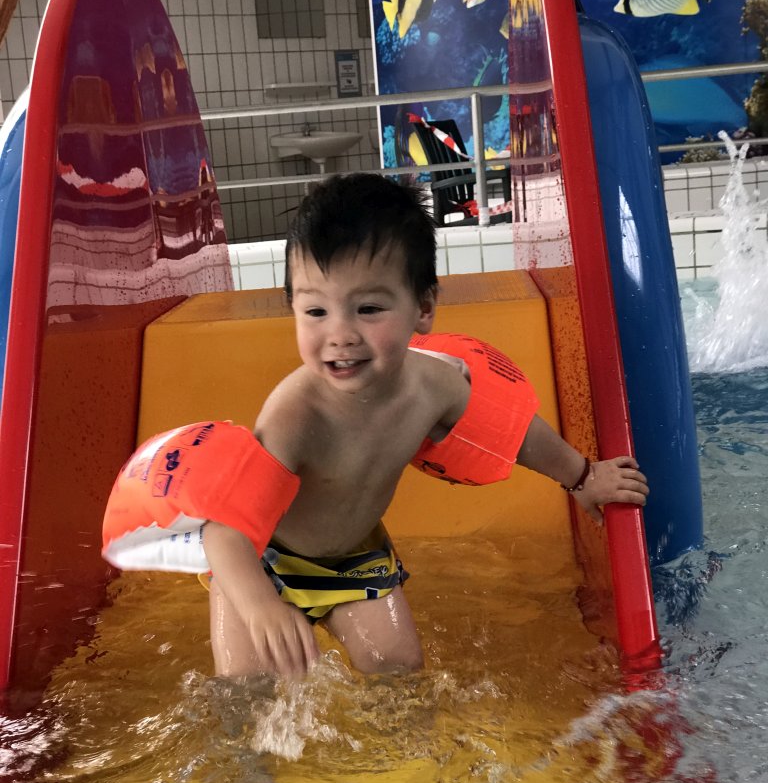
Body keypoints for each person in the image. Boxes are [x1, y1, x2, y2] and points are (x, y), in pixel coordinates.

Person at [201, 173, 649, 680]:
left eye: (368, 309)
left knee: (400, 670)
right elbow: (225, 525)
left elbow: (513, 434)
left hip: (355, 558)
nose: (339, 334)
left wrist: (583, 477)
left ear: (425, 308)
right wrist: (261, 607)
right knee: (243, 687)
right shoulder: (295, 412)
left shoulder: (435, 387)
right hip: (264, 561)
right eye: (315, 311)